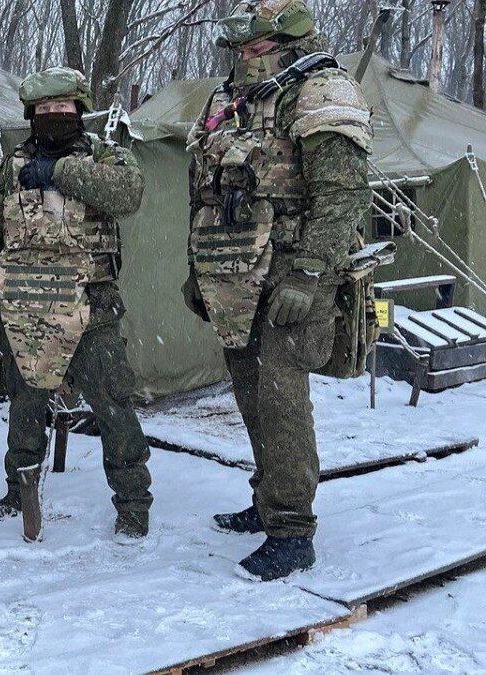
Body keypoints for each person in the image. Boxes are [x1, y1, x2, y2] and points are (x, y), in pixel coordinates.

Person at [184, 0, 372, 580]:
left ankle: (292, 528)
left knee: (282, 398)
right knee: (248, 392)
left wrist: (312, 271)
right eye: (240, 49)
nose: (245, 58)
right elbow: (206, 191)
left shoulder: (321, 92)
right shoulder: (227, 102)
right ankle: (267, 497)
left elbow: (344, 195)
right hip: (233, 274)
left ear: (290, 43)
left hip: (294, 273)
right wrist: (199, 269)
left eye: (257, 48)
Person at [0, 66, 154, 539]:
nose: (53, 116)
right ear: (31, 115)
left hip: (91, 308)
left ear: (79, 112)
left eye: (62, 108)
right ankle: (18, 489)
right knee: (25, 408)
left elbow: (129, 195)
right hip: (25, 311)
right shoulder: (11, 169)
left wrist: (61, 172)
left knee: (113, 405)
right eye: (43, 110)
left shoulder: (106, 158)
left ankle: (132, 502)